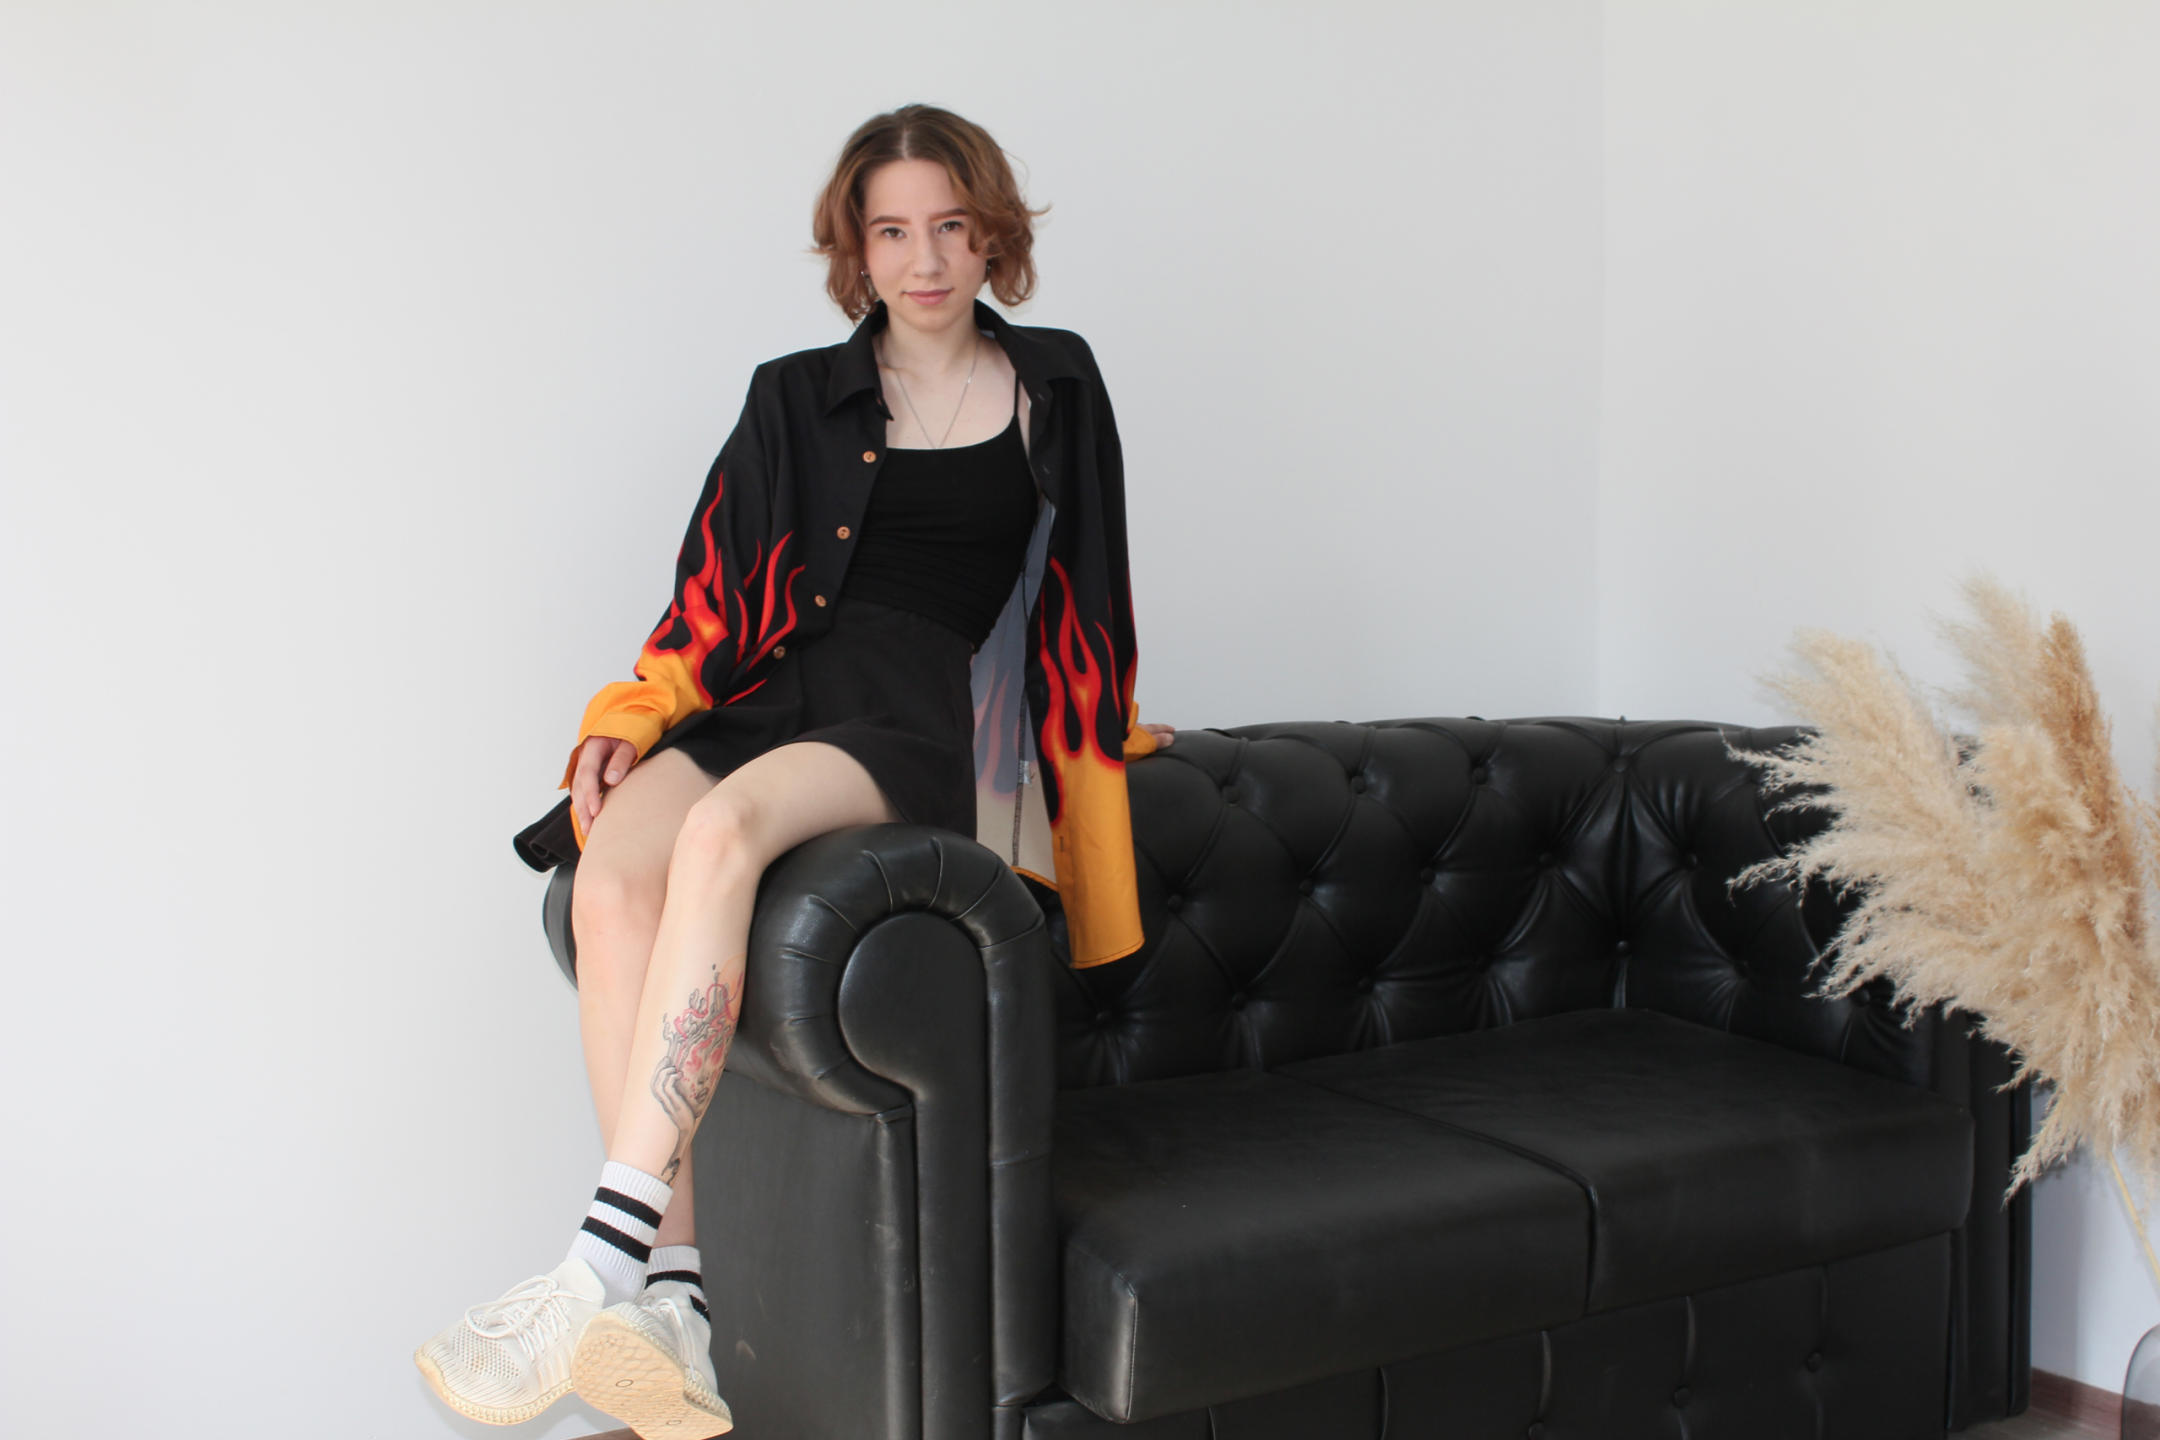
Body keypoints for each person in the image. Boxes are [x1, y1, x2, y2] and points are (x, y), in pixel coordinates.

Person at [415, 103, 1174, 1439]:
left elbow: (1089, 595)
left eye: (950, 226)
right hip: (770, 690)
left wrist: (1093, 752)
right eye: (892, 232)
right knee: (613, 878)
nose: (924, 259)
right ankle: (678, 1297)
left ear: (990, 235)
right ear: (855, 249)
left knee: (724, 836)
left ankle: (597, 1264)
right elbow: (711, 597)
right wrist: (630, 719)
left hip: (911, 710)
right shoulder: (792, 395)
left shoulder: (1056, 382)